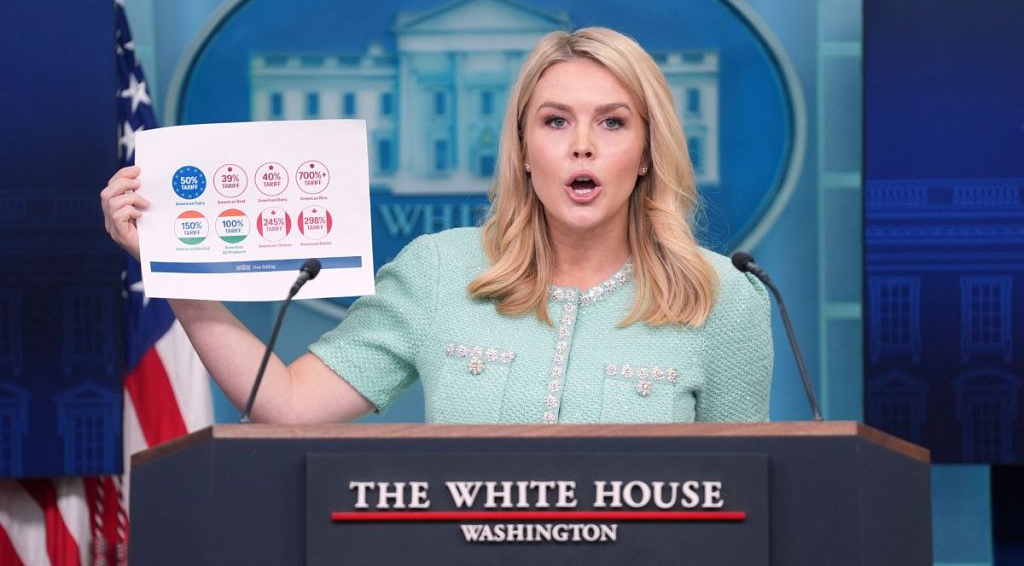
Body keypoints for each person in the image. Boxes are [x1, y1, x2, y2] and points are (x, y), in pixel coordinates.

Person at [100, 27, 772, 425]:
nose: (582, 145)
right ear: (524, 149)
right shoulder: (441, 271)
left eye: (613, 122)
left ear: (648, 151)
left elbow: (747, 496)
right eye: (556, 121)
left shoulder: (722, 297)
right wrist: (175, 272)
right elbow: (286, 404)